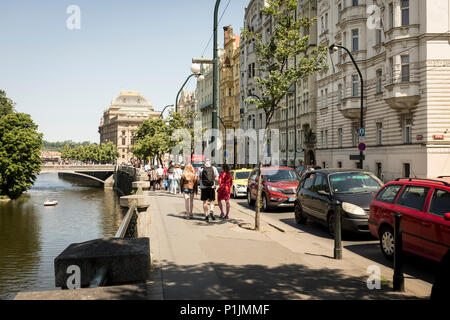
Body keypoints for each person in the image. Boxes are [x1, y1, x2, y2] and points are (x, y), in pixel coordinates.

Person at [197, 158, 219, 222]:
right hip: (211, 187)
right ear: (210, 162)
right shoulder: (214, 168)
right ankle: (211, 210)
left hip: (203, 187)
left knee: (205, 202)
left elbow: (197, 179)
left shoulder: (200, 168)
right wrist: (212, 179)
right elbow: (217, 178)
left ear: (204, 162)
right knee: (212, 200)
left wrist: (200, 180)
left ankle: (206, 216)